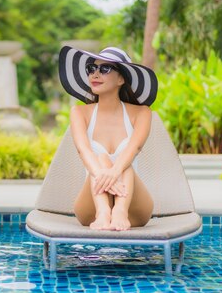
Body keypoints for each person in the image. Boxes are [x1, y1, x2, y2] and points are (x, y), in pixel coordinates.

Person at [58, 46, 159, 231]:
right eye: (91, 69)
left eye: (104, 69)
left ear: (121, 78)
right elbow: (84, 151)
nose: (95, 74)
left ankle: (120, 210)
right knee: (102, 159)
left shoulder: (142, 113)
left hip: (134, 208)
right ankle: (103, 211)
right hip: (91, 208)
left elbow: (134, 148)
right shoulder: (79, 112)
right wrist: (105, 173)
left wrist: (113, 172)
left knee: (123, 162)